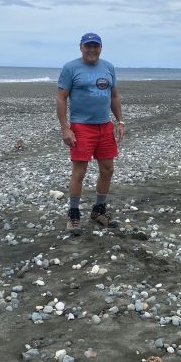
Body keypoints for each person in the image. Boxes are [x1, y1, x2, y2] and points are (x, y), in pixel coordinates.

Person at [56, 32, 125, 235]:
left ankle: (98, 211)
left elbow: (114, 96)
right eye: (88, 46)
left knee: (108, 169)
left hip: (104, 126)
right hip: (81, 127)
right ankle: (74, 214)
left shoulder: (108, 67)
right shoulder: (70, 68)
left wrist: (119, 121)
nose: (92, 50)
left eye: (96, 46)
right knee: (80, 172)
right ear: (81, 47)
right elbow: (61, 99)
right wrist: (65, 127)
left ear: (101, 48)